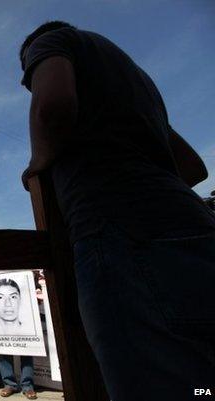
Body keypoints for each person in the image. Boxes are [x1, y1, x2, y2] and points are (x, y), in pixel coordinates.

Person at [19, 21, 215, 399]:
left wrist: (38, 163)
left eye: (29, 78)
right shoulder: (137, 85)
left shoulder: (51, 41)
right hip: (193, 228)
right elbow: (194, 167)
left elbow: (54, 103)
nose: (31, 83)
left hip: (118, 231)